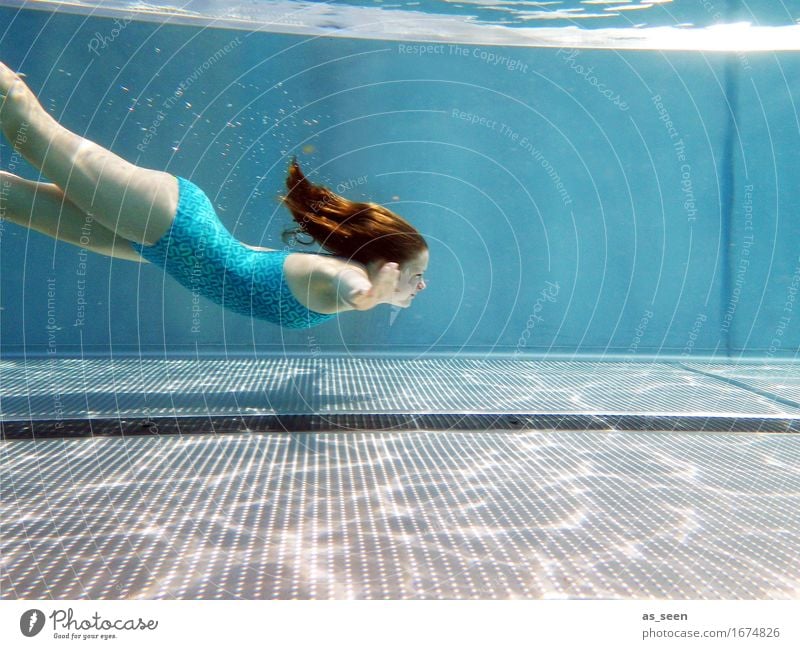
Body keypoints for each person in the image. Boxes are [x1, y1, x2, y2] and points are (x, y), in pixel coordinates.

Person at [0, 61, 428, 329]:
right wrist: (369, 298)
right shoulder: (341, 280)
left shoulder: (334, 270)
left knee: (11, 202)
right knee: (31, 132)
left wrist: (373, 295)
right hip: (171, 220)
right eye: (414, 275)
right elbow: (352, 288)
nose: (422, 285)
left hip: (162, 247)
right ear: (380, 265)